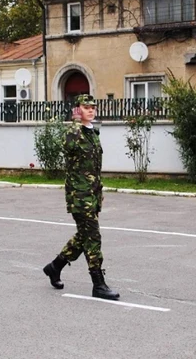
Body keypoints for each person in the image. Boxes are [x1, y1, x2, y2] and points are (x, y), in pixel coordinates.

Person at [43, 94, 120, 301]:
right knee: (93, 237)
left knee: (83, 236)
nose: (91, 110)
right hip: (79, 195)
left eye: (93, 107)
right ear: (78, 110)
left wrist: (98, 192)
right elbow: (66, 148)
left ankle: (54, 267)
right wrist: (76, 123)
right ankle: (98, 284)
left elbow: (95, 167)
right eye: (86, 107)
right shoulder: (73, 132)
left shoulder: (93, 133)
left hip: (92, 194)